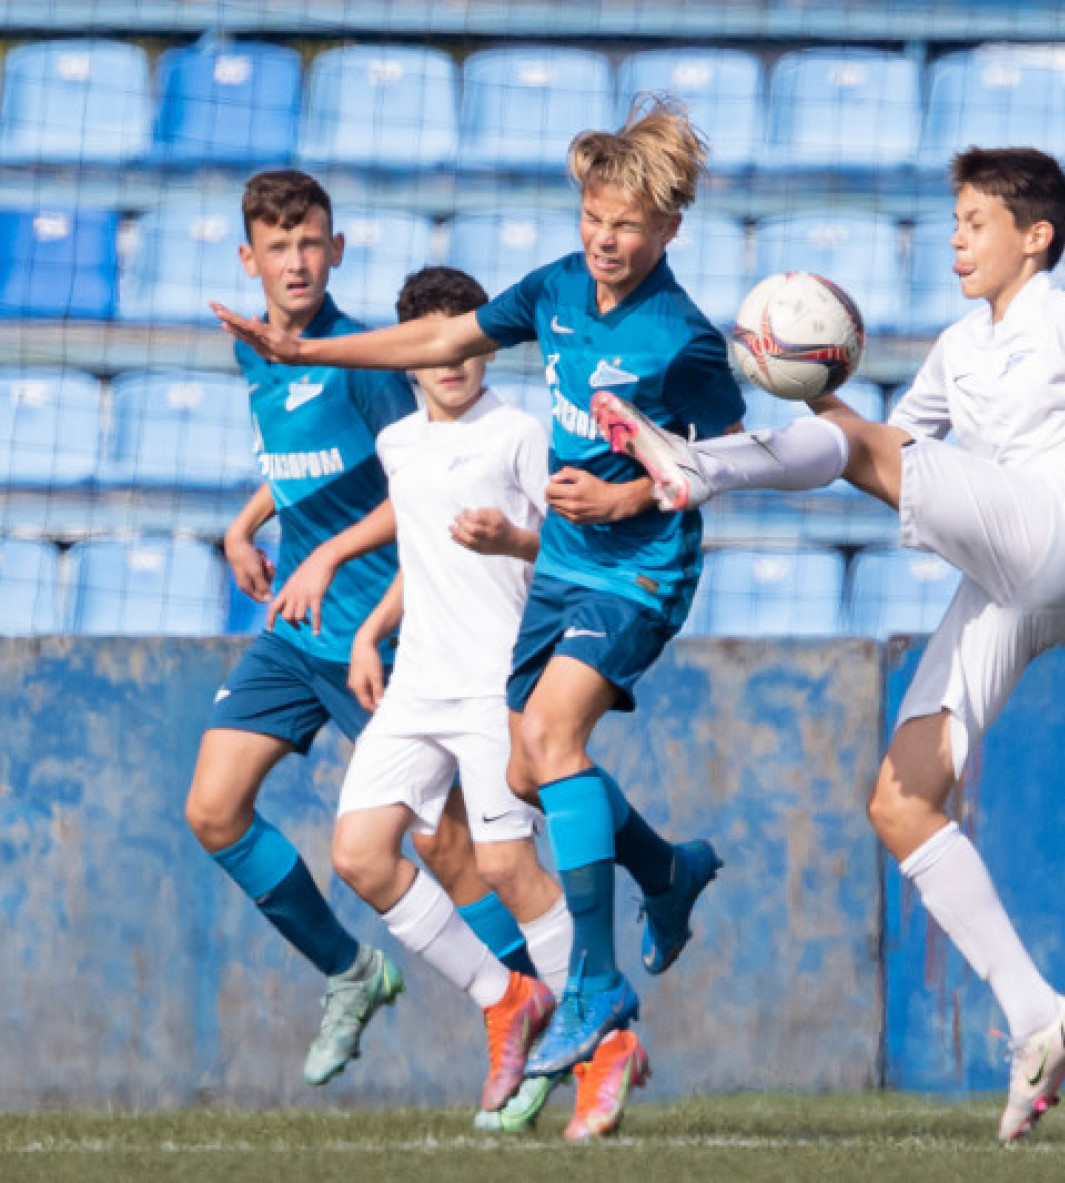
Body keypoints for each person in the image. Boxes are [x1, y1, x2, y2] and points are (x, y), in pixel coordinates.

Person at [592, 146, 1065, 1142]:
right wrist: (799, 373)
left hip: (1060, 531)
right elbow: (860, 441)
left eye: (976, 222)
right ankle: (1037, 1013)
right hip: (1010, 581)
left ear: (1036, 238)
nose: (958, 239)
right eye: (955, 221)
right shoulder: (961, 345)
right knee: (900, 799)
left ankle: (695, 467)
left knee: (863, 442)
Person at [213, 99, 743, 1131]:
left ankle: (598, 1013)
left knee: (532, 779)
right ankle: (635, 899)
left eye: (627, 224)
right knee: (377, 845)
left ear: (670, 230)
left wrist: (632, 495)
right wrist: (306, 353)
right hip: (498, 623)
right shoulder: (548, 292)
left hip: (634, 569)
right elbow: (445, 341)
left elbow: (724, 456)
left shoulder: (683, 339)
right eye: (594, 216)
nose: (604, 238)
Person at [187, 170, 531, 1088]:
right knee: (213, 809)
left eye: (312, 244)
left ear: (336, 251)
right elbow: (303, 457)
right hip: (296, 632)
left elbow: (413, 473)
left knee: (447, 848)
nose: (296, 262)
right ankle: (350, 971)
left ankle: (540, 1012)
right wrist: (245, 522)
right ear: (248, 258)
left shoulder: (364, 354)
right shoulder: (258, 349)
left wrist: (331, 553)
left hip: (377, 634)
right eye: (278, 246)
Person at [283, 264, 606, 1135]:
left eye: (467, 340)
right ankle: (507, 998)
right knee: (358, 851)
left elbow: (573, 555)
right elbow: (421, 543)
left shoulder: (520, 436)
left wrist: (514, 539)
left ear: (485, 345)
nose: (452, 361)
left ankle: (597, 1044)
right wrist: (367, 629)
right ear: (413, 360)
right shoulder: (401, 447)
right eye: (435, 346)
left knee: (507, 868)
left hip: (494, 680)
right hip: (417, 682)